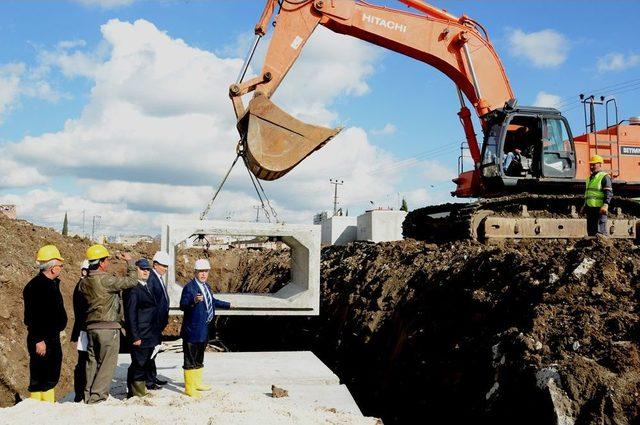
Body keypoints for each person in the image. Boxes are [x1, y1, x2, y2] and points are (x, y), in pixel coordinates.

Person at [79, 244, 138, 404]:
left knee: (92, 363)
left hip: (91, 328)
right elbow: (132, 281)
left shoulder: (84, 282)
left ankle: (88, 395)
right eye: (106, 260)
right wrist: (130, 263)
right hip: (108, 328)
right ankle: (97, 398)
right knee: (106, 364)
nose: (108, 263)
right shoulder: (105, 280)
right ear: (100, 262)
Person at [179, 259, 231, 398]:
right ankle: (189, 388)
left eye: (206, 271)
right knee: (190, 358)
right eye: (201, 271)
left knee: (199, 357)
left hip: (203, 329)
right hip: (191, 330)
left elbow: (212, 301)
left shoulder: (206, 286)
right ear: (195, 272)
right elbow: (183, 305)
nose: (203, 274)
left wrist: (228, 305)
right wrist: (193, 301)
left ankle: (197, 383)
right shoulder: (189, 288)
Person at [23, 245, 67, 403]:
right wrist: (39, 339)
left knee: (48, 374)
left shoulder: (48, 284)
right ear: (53, 268)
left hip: (50, 336)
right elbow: (33, 316)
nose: (61, 268)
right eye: (60, 266)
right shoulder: (38, 286)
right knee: (42, 377)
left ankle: (43, 406)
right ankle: (41, 409)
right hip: (43, 339)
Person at [124, 259, 158, 398]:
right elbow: (130, 315)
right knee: (139, 364)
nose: (146, 271)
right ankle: (136, 394)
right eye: (142, 269)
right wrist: (135, 336)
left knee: (142, 364)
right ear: (136, 269)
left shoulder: (145, 286)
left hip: (147, 333)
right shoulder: (134, 289)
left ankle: (137, 391)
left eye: (148, 269)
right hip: (141, 334)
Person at [145, 251, 170, 389]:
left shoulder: (158, 278)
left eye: (166, 266)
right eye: (163, 266)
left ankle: (152, 377)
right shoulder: (152, 279)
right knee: (150, 352)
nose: (165, 269)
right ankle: (148, 381)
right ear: (155, 264)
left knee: (154, 351)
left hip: (157, 324)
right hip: (152, 324)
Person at [70, 260, 90, 402]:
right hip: (84, 330)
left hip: (84, 329)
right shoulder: (82, 287)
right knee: (83, 362)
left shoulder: (83, 285)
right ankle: (80, 393)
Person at [583, 155, 613, 237]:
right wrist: (585, 205)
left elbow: (608, 192)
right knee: (591, 232)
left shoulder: (604, 177)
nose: (591, 167)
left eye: (594, 164)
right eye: (591, 165)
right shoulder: (589, 178)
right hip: (590, 208)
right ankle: (592, 249)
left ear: (600, 164)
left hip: (600, 209)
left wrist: (606, 204)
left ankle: (603, 248)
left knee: (600, 232)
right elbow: (588, 194)